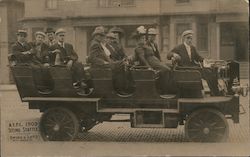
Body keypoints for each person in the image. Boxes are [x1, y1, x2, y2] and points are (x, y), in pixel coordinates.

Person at [167, 30, 220, 96]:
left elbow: (198, 58)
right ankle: (215, 93)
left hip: (193, 67)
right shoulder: (179, 47)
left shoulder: (192, 48)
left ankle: (215, 92)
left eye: (191, 38)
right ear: (184, 38)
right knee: (207, 73)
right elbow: (168, 55)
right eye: (188, 38)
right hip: (184, 69)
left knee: (211, 72)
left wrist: (206, 61)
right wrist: (173, 54)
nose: (190, 40)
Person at [49, 28, 92, 93]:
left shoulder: (69, 45)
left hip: (70, 64)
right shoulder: (53, 47)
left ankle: (82, 82)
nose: (62, 37)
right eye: (60, 35)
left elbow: (75, 56)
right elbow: (51, 59)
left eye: (63, 35)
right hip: (60, 65)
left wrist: (71, 60)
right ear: (57, 37)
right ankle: (77, 83)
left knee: (79, 64)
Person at [133, 26, 172, 94]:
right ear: (138, 40)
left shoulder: (145, 45)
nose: (144, 39)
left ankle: (166, 87)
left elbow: (156, 54)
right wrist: (149, 67)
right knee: (166, 70)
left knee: (169, 67)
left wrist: (160, 61)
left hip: (154, 61)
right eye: (142, 38)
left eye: (144, 38)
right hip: (151, 62)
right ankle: (164, 89)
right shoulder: (139, 47)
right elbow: (142, 58)